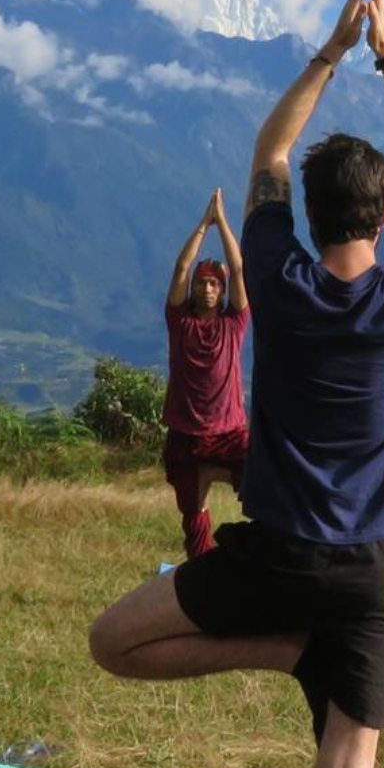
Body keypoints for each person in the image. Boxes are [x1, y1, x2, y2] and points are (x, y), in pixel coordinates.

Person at [89, 0, 384, 768]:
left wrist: (330, 51)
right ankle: (301, 665)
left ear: (311, 215)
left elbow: (268, 158)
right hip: (378, 574)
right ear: (383, 216)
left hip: (280, 556)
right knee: (349, 765)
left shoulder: (282, 282)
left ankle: (283, 649)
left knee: (112, 644)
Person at [161, 188, 251, 559]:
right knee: (193, 511)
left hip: (229, 433)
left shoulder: (235, 322)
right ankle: (202, 569)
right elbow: (181, 267)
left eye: (215, 283)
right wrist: (203, 225)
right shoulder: (179, 321)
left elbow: (241, 267)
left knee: (263, 489)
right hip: (186, 434)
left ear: (223, 289)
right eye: (203, 282)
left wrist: (223, 223)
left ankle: (258, 559)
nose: (208, 287)